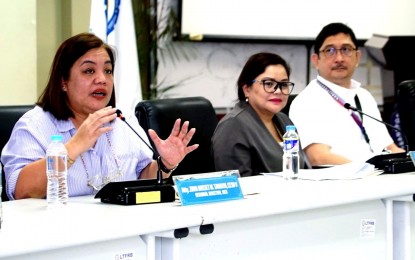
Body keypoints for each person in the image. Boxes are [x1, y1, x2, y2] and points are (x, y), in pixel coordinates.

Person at [1, 33, 198, 200]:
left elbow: (141, 178)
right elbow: (21, 192)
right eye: (89, 71)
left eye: (108, 70)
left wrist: (165, 165)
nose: (102, 79)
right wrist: (74, 146)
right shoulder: (34, 125)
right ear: (63, 82)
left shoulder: (123, 120)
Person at [289, 23, 404, 166]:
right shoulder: (307, 102)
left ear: (357, 57)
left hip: (378, 178)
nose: (339, 58)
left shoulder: (364, 96)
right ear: (316, 60)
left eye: (346, 49)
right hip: (340, 183)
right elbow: (318, 158)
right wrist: (369, 169)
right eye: (329, 50)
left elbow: (389, 148)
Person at [211, 52, 307, 177]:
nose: (278, 91)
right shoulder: (233, 126)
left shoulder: (284, 121)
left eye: (283, 85)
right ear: (247, 89)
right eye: (268, 84)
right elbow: (238, 184)